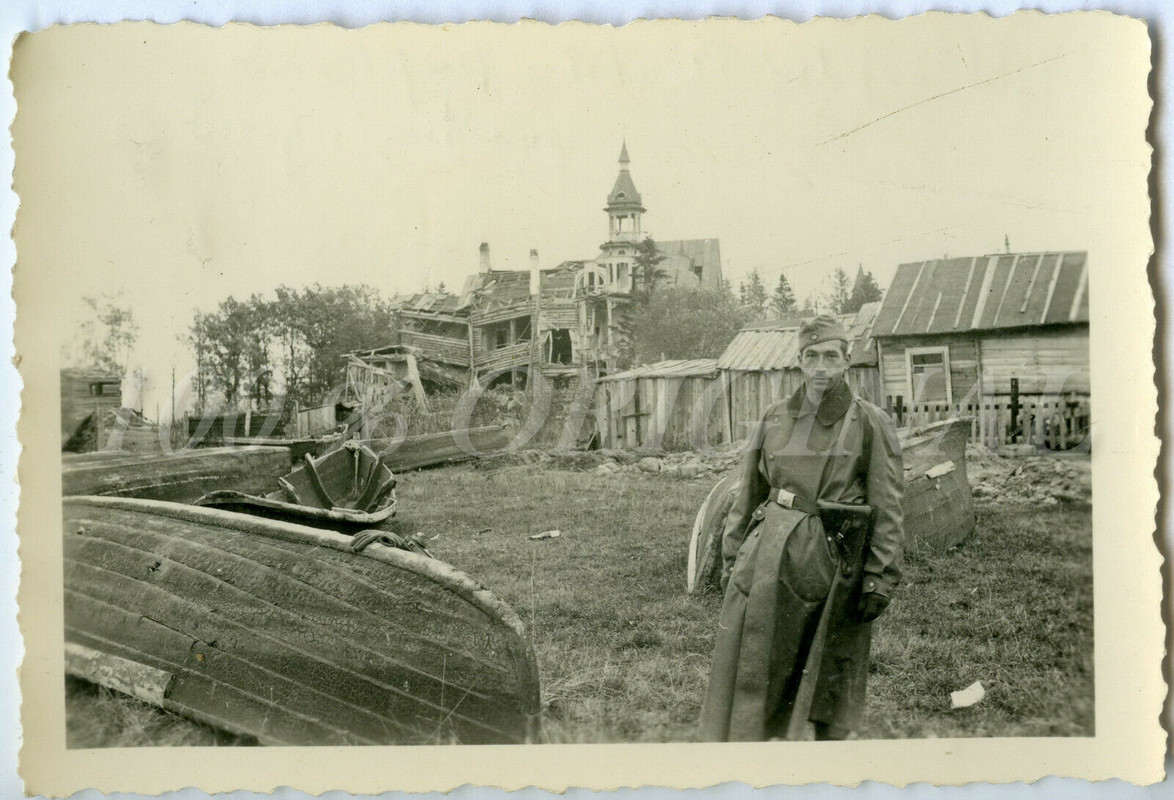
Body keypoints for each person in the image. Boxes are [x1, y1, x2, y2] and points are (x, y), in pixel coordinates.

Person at [698, 314, 904, 742]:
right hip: (765, 555)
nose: (821, 367)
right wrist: (732, 557)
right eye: (812, 357)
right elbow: (748, 494)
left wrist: (879, 576)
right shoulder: (774, 418)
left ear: (847, 361)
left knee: (825, 676)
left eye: (831, 356)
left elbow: (886, 505)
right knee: (757, 663)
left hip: (831, 561)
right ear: (800, 362)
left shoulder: (869, 421)